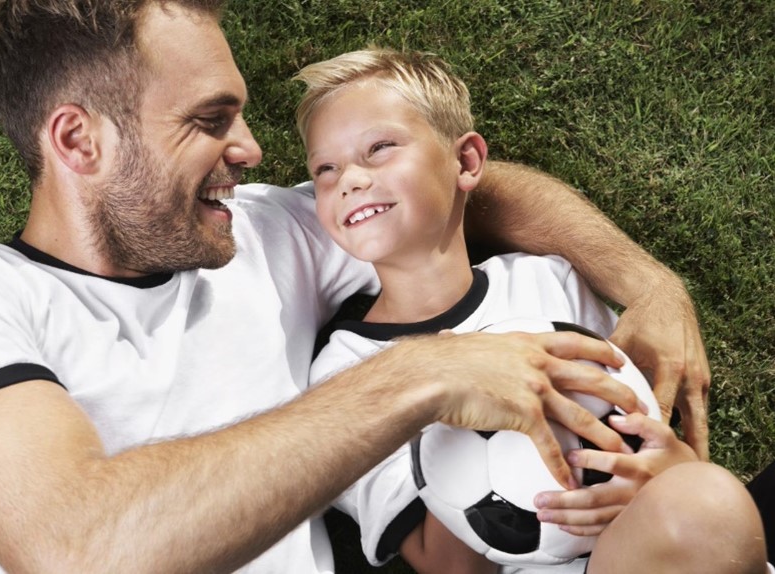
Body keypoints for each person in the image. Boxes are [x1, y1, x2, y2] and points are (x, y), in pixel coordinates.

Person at [0, 1, 715, 572]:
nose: (253, 150)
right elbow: (82, 549)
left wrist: (647, 285)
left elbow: (469, 189)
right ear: (78, 141)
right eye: (209, 120)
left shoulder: (250, 235)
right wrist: (427, 372)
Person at [300, 47, 769, 573]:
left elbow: (642, 434)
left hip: (665, 543)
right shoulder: (344, 374)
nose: (350, 179)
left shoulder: (548, 281)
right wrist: (442, 399)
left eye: (380, 147)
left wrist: (671, 466)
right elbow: (451, 568)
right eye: (325, 169)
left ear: (467, 162)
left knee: (704, 501)